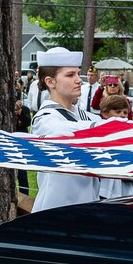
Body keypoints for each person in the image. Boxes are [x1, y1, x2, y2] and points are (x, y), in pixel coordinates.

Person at [30, 47, 102, 211]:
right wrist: (106, 128)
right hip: (56, 212)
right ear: (50, 82)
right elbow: (67, 131)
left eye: (77, 74)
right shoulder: (45, 120)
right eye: (70, 75)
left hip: (87, 209)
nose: (79, 80)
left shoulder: (88, 117)